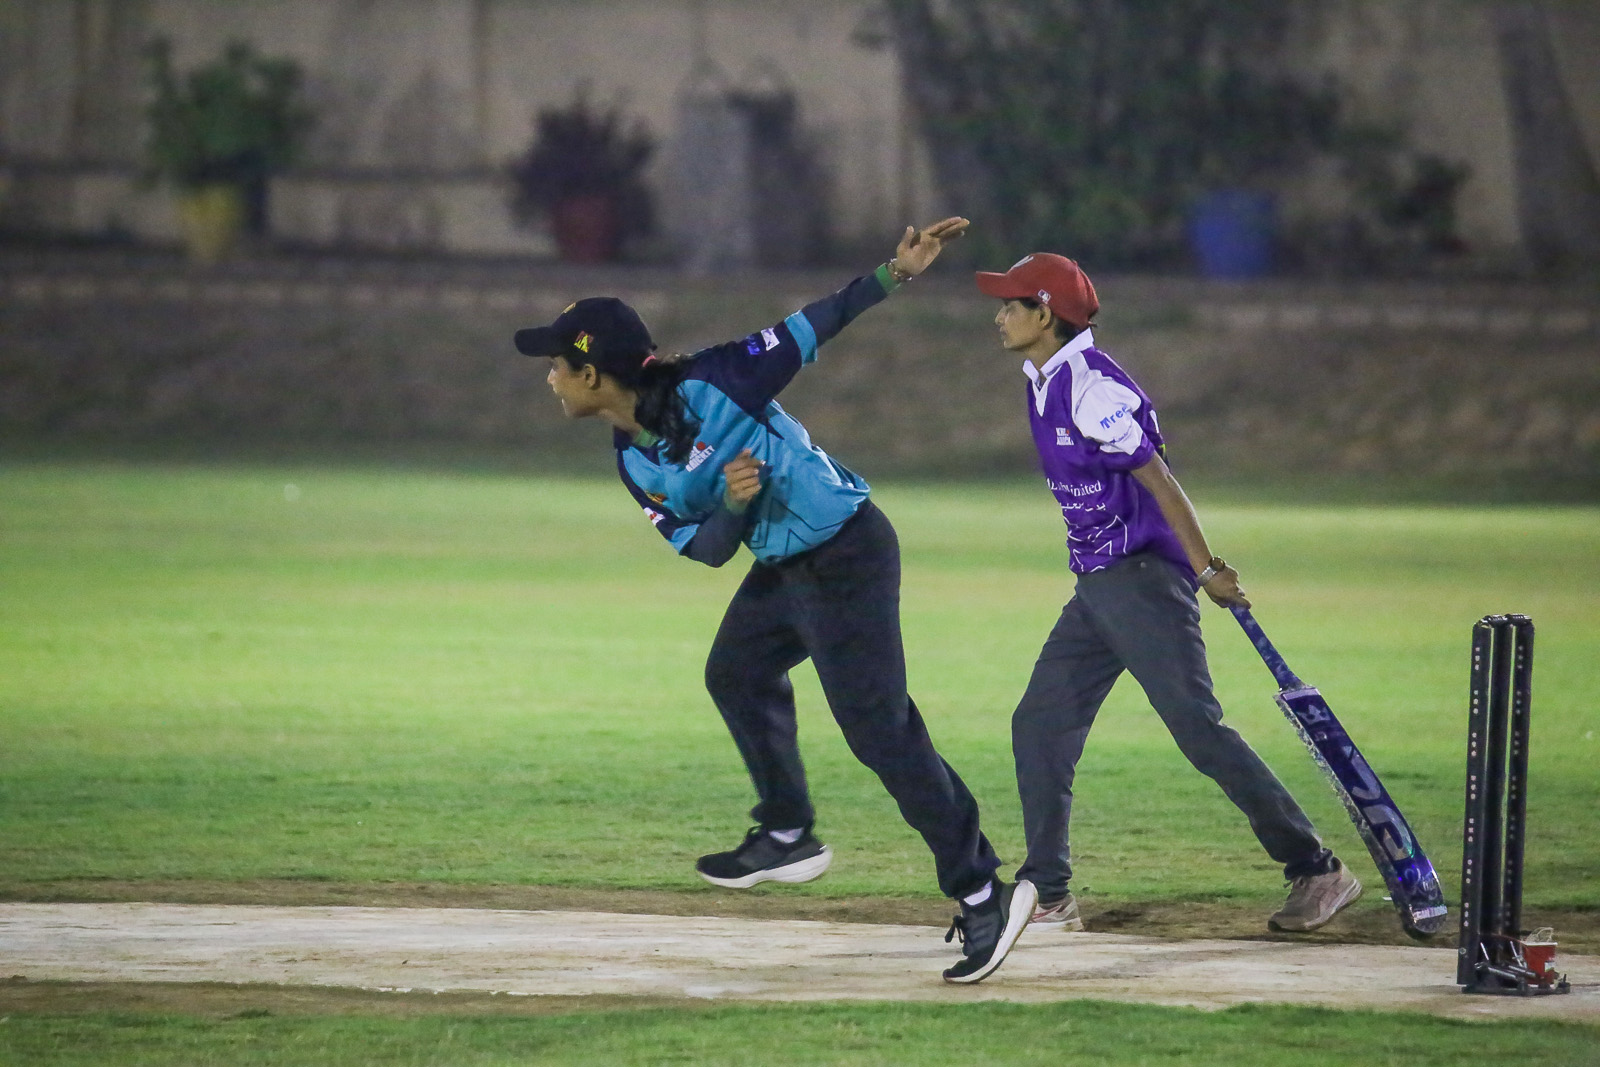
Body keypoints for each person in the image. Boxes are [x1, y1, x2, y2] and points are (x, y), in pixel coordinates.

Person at [515, 218, 1035, 984]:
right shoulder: (632, 459)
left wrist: (895, 273)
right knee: (735, 672)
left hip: (847, 550)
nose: (549, 377)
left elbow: (813, 324)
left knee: (880, 731)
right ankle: (789, 831)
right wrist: (730, 504)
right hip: (787, 567)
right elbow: (706, 548)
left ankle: (983, 889)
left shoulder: (715, 380)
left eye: (557, 365)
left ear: (592, 375)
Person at [972, 252, 1362, 934]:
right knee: (1039, 724)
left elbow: (1159, 480)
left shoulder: (1091, 389)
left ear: (1046, 314)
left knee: (1198, 731)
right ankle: (1051, 892)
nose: (999, 315)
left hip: (1144, 582)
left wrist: (1205, 569)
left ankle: (1317, 867)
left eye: (1011, 304)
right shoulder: (1045, 379)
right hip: (1099, 585)